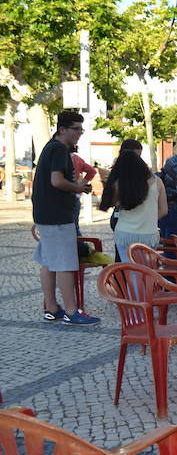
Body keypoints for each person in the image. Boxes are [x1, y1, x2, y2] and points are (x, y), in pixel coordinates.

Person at [32, 111, 99, 325]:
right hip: (58, 216)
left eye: (81, 129)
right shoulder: (59, 149)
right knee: (64, 263)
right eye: (76, 129)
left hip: (46, 213)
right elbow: (57, 181)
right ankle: (71, 312)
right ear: (63, 130)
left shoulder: (50, 147)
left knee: (48, 262)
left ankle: (51, 308)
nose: (80, 133)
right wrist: (79, 187)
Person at [99, 150, 167, 263]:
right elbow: (164, 210)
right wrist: (148, 219)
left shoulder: (119, 184)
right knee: (146, 272)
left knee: (130, 272)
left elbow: (115, 204)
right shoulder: (157, 182)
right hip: (149, 234)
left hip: (124, 234)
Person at [108, 139, 144, 261]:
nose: (137, 161)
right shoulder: (119, 172)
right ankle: (121, 279)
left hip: (131, 219)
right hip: (121, 218)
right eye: (135, 157)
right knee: (122, 256)